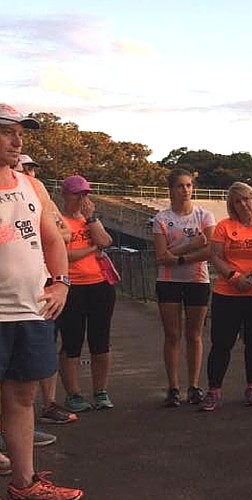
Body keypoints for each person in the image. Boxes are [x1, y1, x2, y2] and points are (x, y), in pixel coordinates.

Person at [0, 103, 83, 499]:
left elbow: (52, 238)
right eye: (7, 132)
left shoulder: (30, 185)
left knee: (22, 396)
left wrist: (62, 282)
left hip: (31, 309)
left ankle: (25, 483)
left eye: (20, 133)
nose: (17, 141)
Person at [200, 182, 252, 411]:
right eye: (237, 201)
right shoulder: (224, 226)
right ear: (231, 205)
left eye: (246, 198)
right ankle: (214, 389)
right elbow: (215, 256)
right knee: (221, 343)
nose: (243, 204)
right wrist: (235, 277)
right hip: (228, 292)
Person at [12, 155, 77, 429]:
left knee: (40, 354)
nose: (28, 170)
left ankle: (43, 409)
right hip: (14, 291)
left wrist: (61, 283)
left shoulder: (34, 188)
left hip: (39, 287)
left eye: (31, 167)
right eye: (25, 166)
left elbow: (62, 234)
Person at [152, 168, 216, 407]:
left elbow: (209, 250)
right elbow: (161, 256)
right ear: (171, 190)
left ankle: (194, 385)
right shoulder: (161, 218)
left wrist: (176, 255)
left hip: (197, 280)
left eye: (189, 185)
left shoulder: (204, 215)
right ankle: (173, 387)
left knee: (194, 334)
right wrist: (191, 246)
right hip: (169, 281)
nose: (185, 190)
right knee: (172, 335)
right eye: (180, 186)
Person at [56, 175, 116, 414]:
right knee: (72, 341)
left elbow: (106, 240)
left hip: (99, 284)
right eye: (77, 194)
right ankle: (73, 393)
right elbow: (63, 254)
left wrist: (91, 219)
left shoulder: (90, 220)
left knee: (100, 340)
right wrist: (92, 248)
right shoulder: (59, 221)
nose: (82, 199)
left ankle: (100, 390)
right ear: (65, 195)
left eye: (85, 194)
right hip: (72, 286)